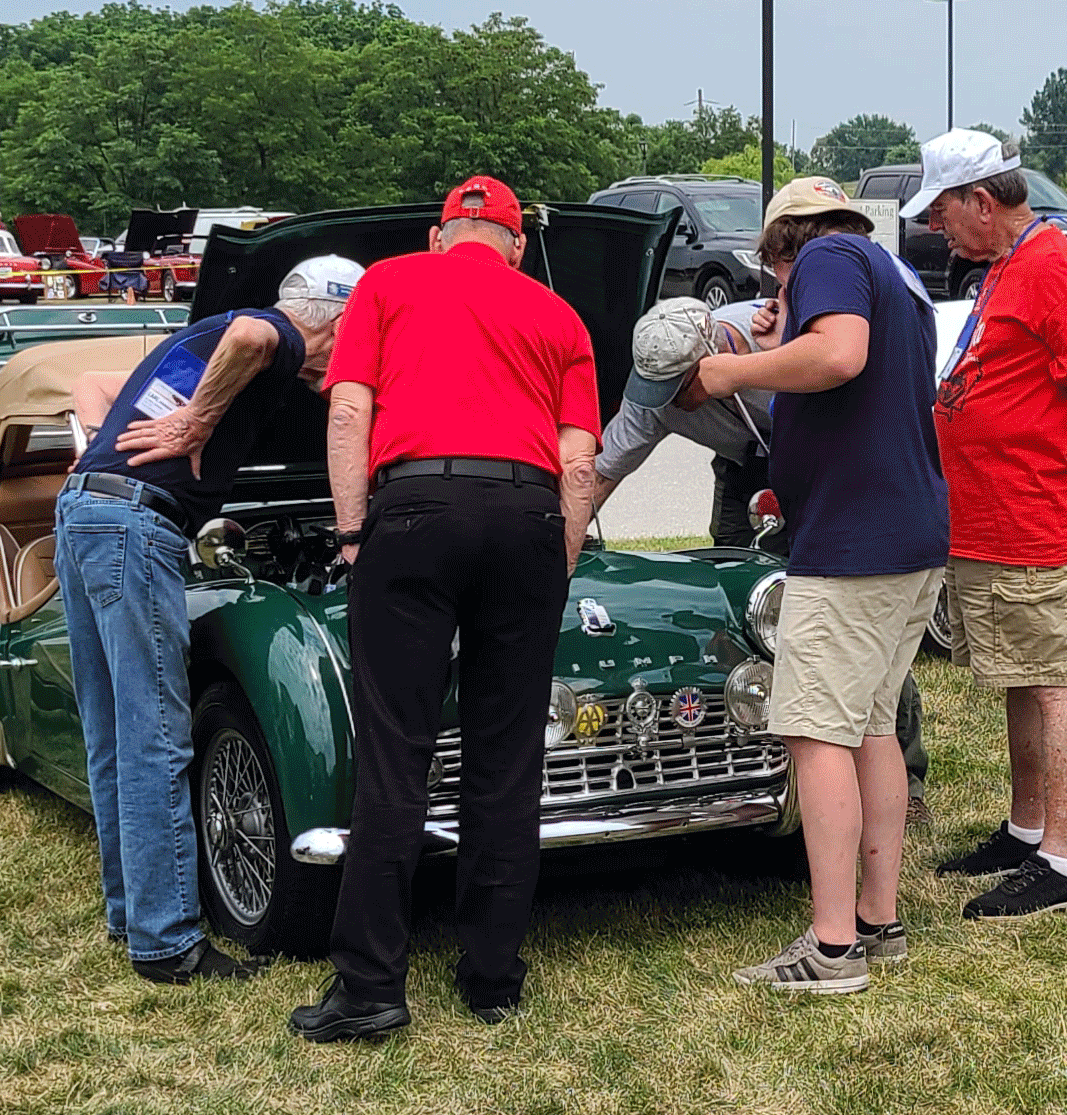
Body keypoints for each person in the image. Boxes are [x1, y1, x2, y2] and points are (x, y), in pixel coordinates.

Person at [289, 177, 599, 1042]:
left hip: (414, 511)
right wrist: (556, 564)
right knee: (506, 759)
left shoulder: (386, 283)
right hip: (529, 516)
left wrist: (353, 535)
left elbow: (349, 408)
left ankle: (370, 990)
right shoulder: (559, 316)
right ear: (511, 244)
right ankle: (493, 976)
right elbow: (579, 464)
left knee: (397, 753)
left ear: (438, 235)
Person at [51, 254, 357, 987]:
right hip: (134, 528)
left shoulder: (205, 336)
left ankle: (132, 916)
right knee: (158, 737)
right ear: (337, 317)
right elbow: (258, 334)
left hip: (87, 516)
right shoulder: (271, 335)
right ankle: (168, 944)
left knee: (116, 736)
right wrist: (197, 421)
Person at [690, 176, 946, 994]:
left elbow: (839, 356)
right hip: (909, 534)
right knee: (871, 726)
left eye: (772, 271)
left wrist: (731, 373)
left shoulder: (830, 255)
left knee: (817, 732)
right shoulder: (896, 281)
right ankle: (877, 920)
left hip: (852, 543)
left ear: (781, 249)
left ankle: (831, 948)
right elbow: (851, 381)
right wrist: (774, 345)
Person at [906, 129, 1067, 921]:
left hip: (1027, 512)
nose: (936, 228)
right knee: (1017, 676)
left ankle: (1060, 864)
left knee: (1051, 680)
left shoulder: (1049, 269)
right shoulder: (1009, 266)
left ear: (980, 199)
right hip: (988, 515)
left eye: (940, 211)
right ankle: (1025, 828)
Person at [589, 294, 778, 547]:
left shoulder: (777, 335)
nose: (666, 400)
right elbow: (600, 477)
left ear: (710, 358)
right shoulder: (652, 401)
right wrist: (558, 543)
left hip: (823, 459)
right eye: (654, 386)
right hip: (744, 467)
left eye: (676, 387)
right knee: (733, 557)